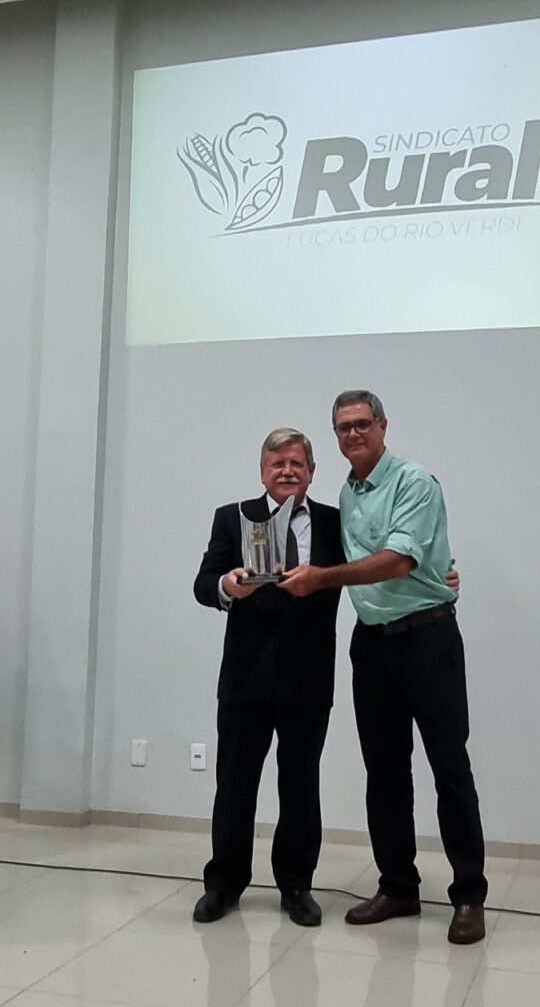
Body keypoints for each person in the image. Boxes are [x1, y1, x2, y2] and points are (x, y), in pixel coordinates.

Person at [280, 391, 488, 945]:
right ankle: (398, 886)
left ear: (382, 426)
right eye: (343, 427)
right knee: (385, 771)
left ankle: (469, 895)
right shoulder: (347, 494)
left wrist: (322, 579)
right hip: (372, 645)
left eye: (362, 424)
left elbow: (397, 561)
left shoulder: (414, 482)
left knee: (449, 767)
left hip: (427, 640)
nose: (353, 434)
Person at [192, 427, 343, 927]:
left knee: (301, 787)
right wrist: (226, 585)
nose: (287, 471)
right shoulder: (233, 517)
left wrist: (436, 577)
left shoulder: (335, 522)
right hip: (246, 678)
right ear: (262, 471)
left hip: (308, 678)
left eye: (297, 463)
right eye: (277, 463)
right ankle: (224, 884)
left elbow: (370, 567)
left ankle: (296, 885)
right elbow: (203, 583)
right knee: (235, 786)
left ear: (312, 472)